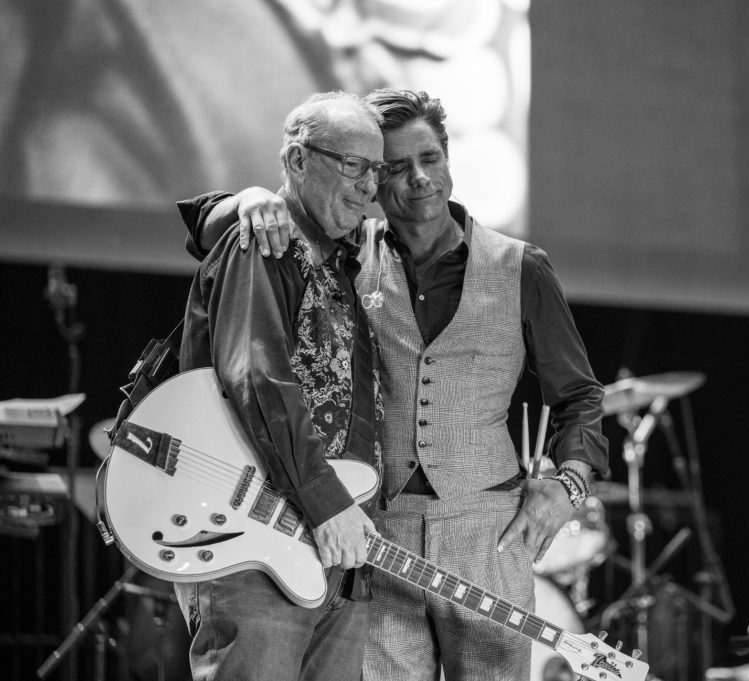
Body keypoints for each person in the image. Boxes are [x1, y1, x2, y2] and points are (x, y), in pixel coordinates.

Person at [179, 88, 609, 681]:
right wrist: (246, 201)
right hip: (375, 535)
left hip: (490, 536)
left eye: (430, 159)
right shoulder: (346, 251)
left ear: (450, 161)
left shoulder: (521, 267)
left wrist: (569, 485)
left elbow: (581, 396)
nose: (418, 180)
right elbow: (248, 232)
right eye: (394, 168)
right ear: (377, 184)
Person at [173, 90, 387, 681]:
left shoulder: (348, 262)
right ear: (296, 161)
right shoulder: (264, 241)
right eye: (352, 164)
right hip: (254, 546)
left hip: (333, 549)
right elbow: (257, 379)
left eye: (377, 169)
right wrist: (326, 504)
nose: (370, 185)